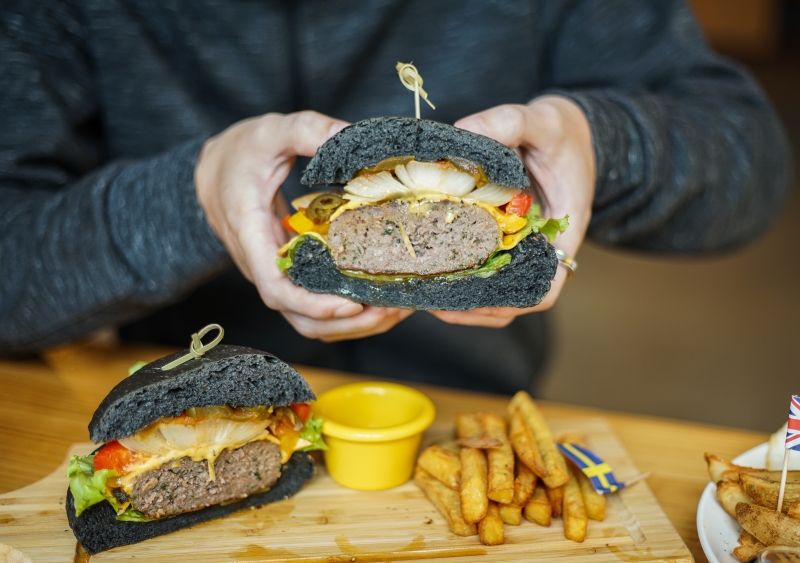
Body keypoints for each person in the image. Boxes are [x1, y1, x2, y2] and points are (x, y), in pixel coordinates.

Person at [0, 1, 790, 394]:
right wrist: (193, 195)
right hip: (184, 392)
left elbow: (750, 161)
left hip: (464, 404)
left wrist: (598, 139)